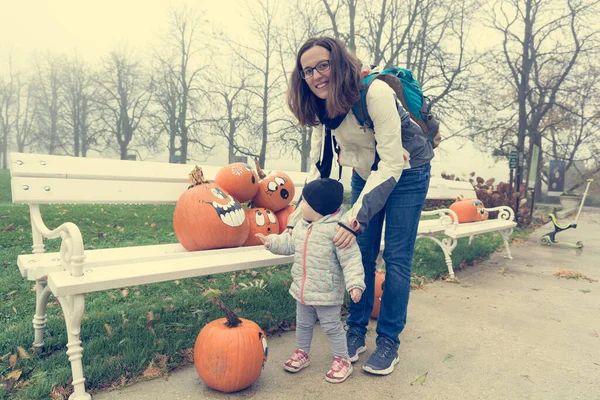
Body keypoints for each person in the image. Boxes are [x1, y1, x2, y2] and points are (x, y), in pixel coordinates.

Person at [285, 36, 434, 376]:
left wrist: (353, 217)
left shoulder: (375, 93)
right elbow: (321, 171)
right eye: (308, 71)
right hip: (367, 172)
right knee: (359, 251)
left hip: (407, 171)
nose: (317, 76)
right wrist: (295, 221)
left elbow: (392, 164)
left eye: (323, 65)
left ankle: (388, 341)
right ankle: (355, 332)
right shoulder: (321, 108)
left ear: (337, 63)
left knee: (396, 257)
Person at [256, 178, 365, 384]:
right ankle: (302, 353)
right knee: (304, 325)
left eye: (304, 202)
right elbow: (289, 244)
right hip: (303, 289)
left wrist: (355, 284)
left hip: (326, 291)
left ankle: (342, 360)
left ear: (317, 208)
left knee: (332, 327)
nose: (300, 205)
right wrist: (271, 242)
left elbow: (351, 260)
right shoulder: (302, 226)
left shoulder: (337, 231)